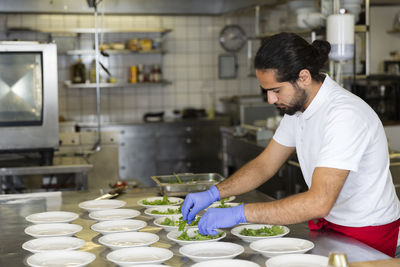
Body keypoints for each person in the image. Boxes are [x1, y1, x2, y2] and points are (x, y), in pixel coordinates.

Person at [181, 32, 400, 257]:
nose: (271, 99)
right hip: (331, 225)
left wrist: (241, 213)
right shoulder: (298, 110)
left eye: (276, 90)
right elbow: (265, 164)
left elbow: (318, 202)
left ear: (303, 77)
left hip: (367, 232)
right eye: (266, 91)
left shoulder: (344, 115)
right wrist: (214, 193)